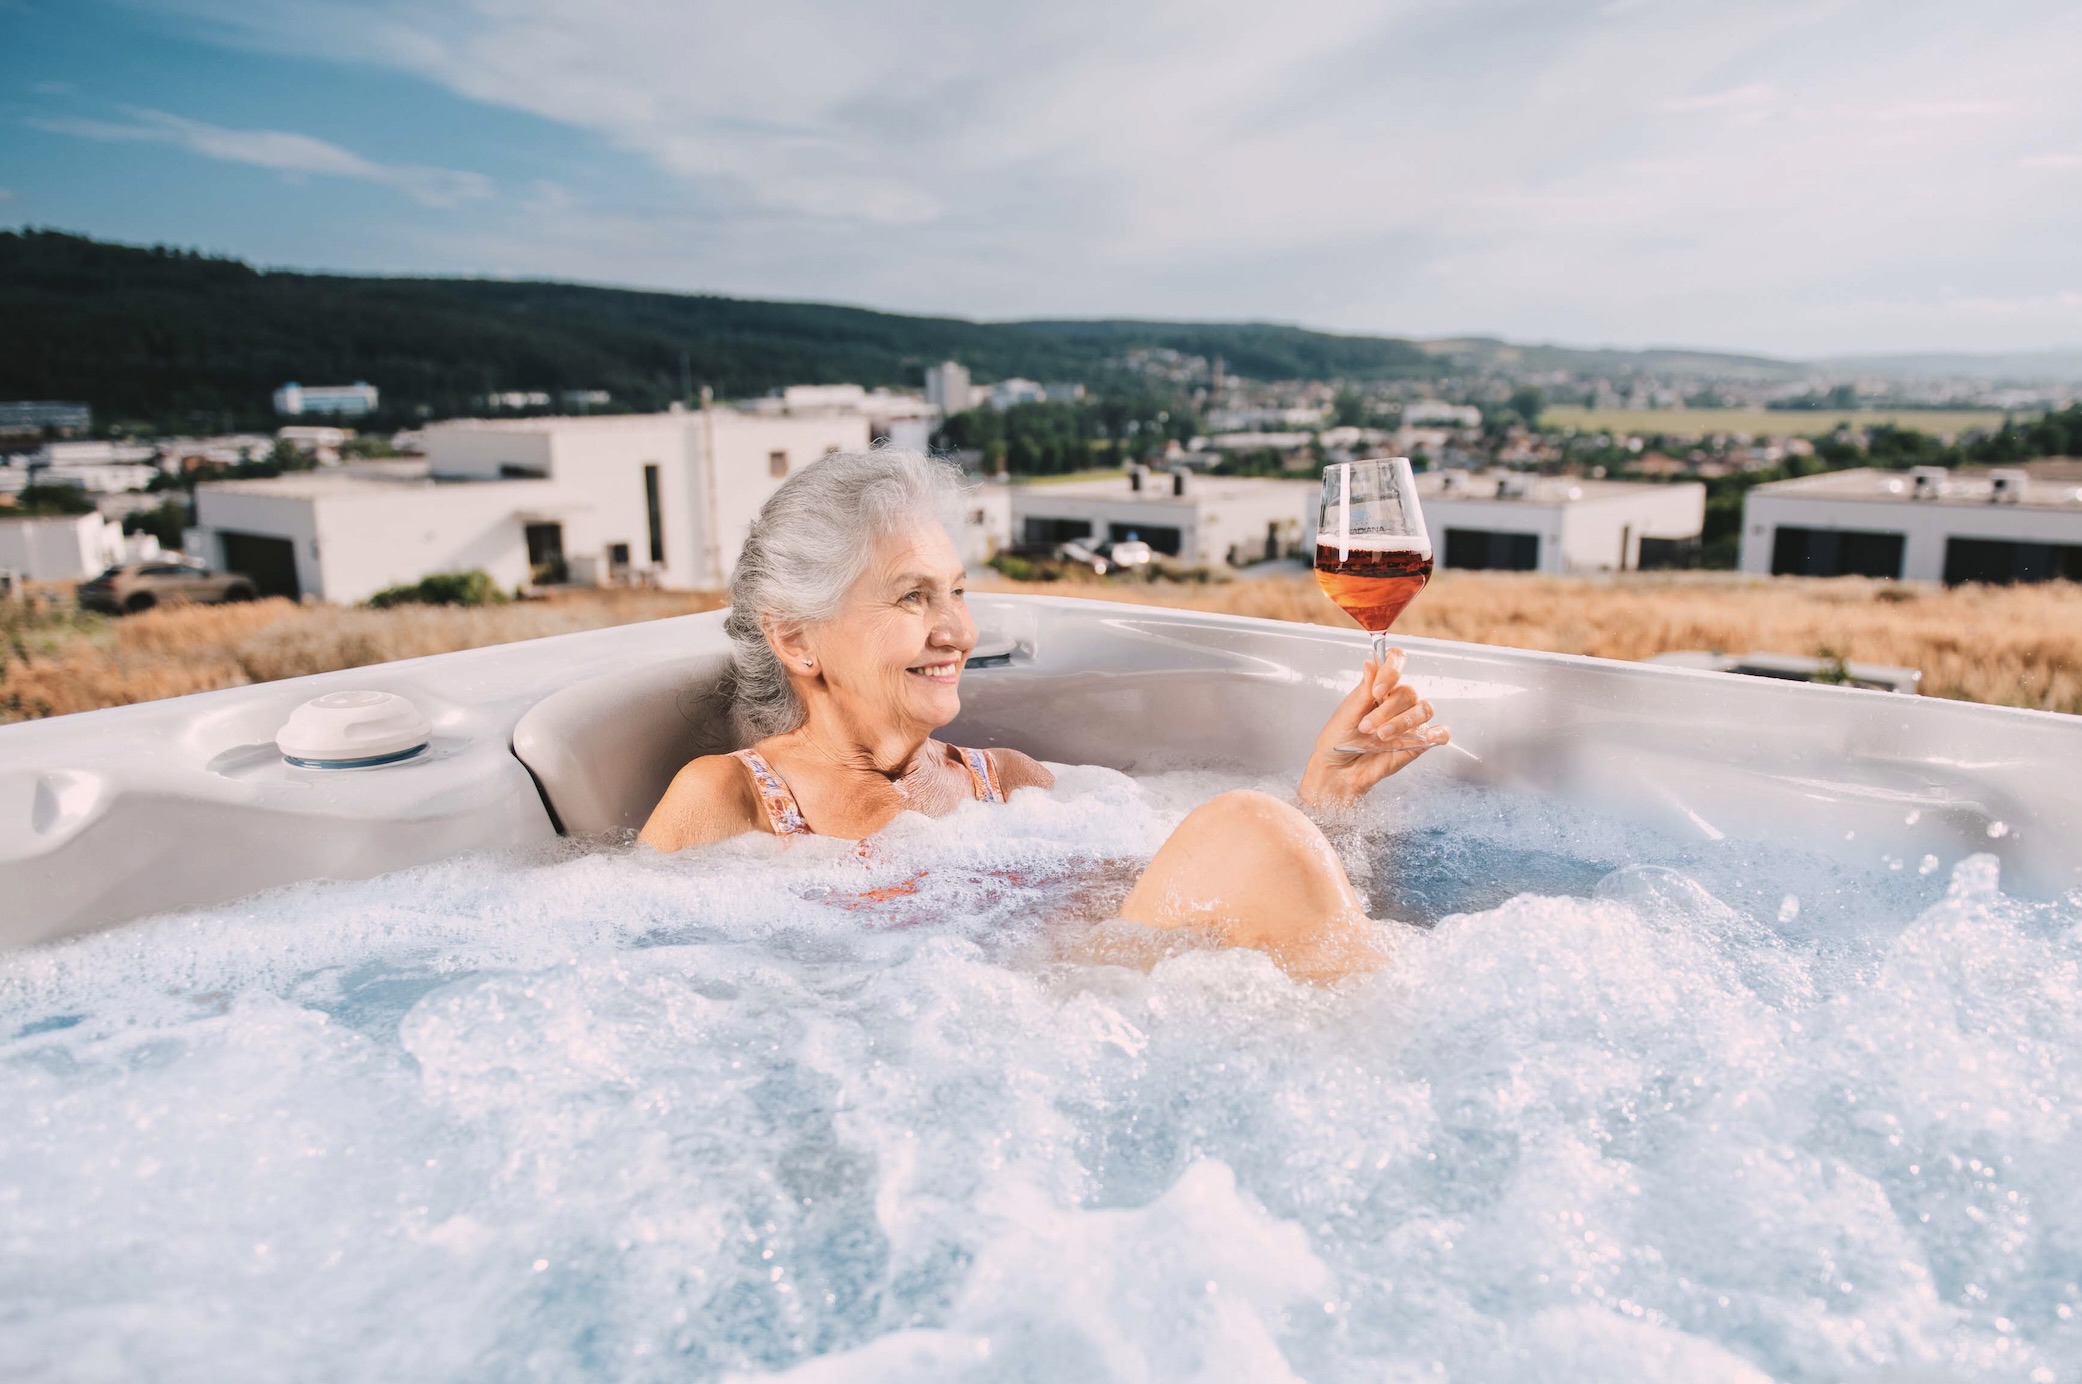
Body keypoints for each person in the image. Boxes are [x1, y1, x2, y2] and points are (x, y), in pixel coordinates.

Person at [640, 449, 1450, 979]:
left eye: (957, 590)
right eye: (912, 596)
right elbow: (655, 988)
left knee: (1257, 829)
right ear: (798, 638)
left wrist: (1325, 805)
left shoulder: (1010, 787)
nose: (958, 630)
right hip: (930, 1062)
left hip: (1068, 1037)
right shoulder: (732, 801)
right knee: (1250, 826)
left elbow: (1168, 911)